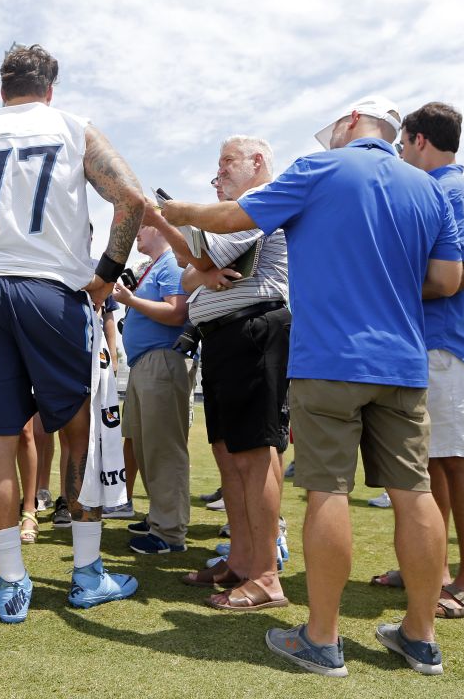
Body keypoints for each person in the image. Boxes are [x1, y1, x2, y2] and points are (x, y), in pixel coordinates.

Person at [161, 95, 461, 676]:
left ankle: (322, 638)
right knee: (414, 492)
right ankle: (420, 635)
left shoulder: (320, 167)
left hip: (330, 356)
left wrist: (175, 212)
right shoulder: (427, 186)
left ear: (351, 122)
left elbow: (232, 219)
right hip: (401, 359)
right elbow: (446, 279)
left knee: (327, 491)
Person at [0, 43, 149, 623]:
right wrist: (104, 276)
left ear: (1, 89)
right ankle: (86, 573)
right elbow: (132, 198)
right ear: (50, 88)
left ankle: (11, 581)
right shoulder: (73, 128)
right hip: (52, 290)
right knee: (79, 430)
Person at [367, 102, 464, 620]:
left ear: (419, 140)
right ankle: (435, 568)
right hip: (431, 344)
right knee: (433, 462)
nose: (400, 154)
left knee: (458, 461)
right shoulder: (440, 190)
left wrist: (391, 291)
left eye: (401, 144)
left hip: (450, 343)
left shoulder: (453, 191)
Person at [154, 136, 291, 609]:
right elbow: (189, 274)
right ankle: (241, 559)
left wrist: (166, 218)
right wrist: (200, 267)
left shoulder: (255, 205)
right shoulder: (240, 211)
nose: (219, 175)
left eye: (226, 162)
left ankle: (266, 574)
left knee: (254, 454)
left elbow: (198, 260)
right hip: (226, 335)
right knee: (231, 455)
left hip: (252, 329)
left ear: (258, 162)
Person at [114, 224, 194, 555]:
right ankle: (161, 518)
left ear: (159, 229)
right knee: (147, 445)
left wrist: (131, 300)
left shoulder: (170, 264)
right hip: (146, 364)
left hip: (161, 362)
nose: (135, 232)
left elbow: (177, 312)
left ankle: (170, 531)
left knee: (162, 447)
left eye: (142, 226)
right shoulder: (157, 266)